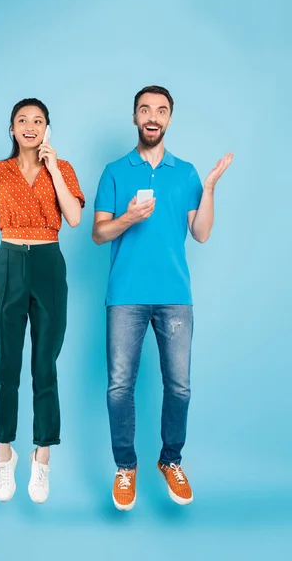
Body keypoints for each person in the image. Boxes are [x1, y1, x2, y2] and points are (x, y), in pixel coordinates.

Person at [93, 85, 233, 511]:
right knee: (120, 388)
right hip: (126, 296)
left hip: (174, 297)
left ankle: (170, 460)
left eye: (161, 110)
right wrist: (128, 218)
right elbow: (98, 233)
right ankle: (126, 467)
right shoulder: (115, 171)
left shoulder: (186, 172)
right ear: (134, 117)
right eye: (145, 110)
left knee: (180, 388)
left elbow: (202, 233)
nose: (153, 117)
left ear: (169, 118)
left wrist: (208, 188)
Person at [0, 98, 85, 503]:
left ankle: (42, 457)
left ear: (48, 128)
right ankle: (4, 454)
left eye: (38, 120)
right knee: (6, 362)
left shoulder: (61, 168)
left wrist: (54, 166)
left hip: (49, 261)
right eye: (22, 120)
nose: (30, 126)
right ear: (11, 128)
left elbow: (75, 218)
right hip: (9, 262)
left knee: (45, 363)